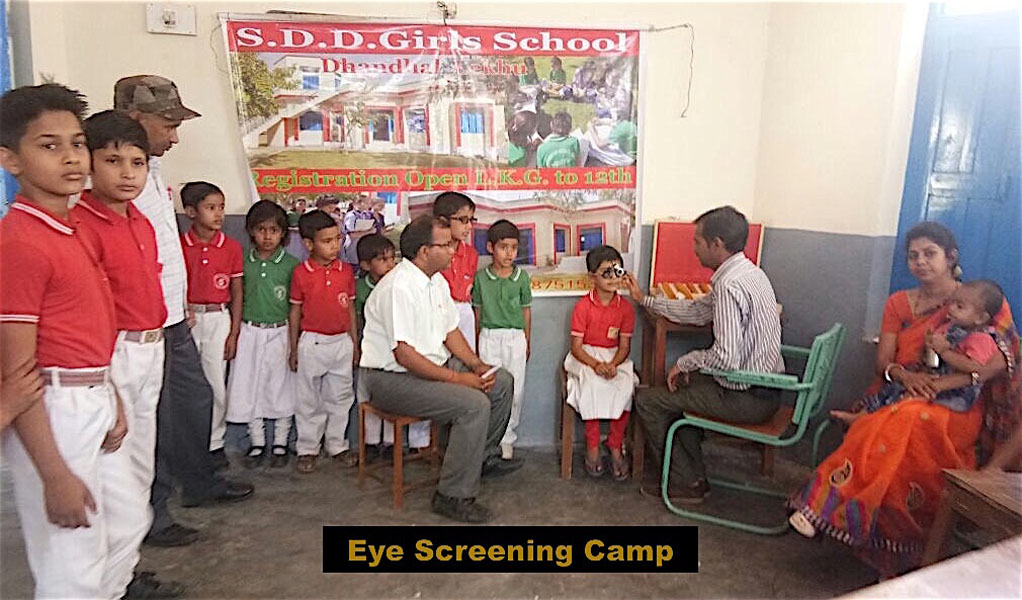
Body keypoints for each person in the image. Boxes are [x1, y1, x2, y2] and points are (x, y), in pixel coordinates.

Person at [787, 222, 1020, 576]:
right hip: (903, 388)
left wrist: (940, 384)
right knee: (893, 423)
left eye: (930, 254)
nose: (920, 262)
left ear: (950, 257)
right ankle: (846, 518)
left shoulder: (977, 301)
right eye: (913, 256)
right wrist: (906, 376)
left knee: (906, 422)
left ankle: (894, 539)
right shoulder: (899, 303)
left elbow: (999, 362)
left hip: (958, 403)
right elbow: (883, 361)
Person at [0, 83, 139, 599]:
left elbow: (90, 330)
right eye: (49, 145)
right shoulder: (19, 242)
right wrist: (53, 474)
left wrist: (112, 395)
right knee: (72, 557)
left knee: (126, 524)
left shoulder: (72, 228)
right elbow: (17, 374)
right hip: (54, 407)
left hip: (93, 391)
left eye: (77, 143)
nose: (71, 158)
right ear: (11, 159)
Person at [117, 74, 253, 550]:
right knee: (153, 425)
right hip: (144, 325)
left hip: (174, 318)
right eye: (168, 123)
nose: (175, 136)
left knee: (195, 403)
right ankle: (153, 517)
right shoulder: (118, 180)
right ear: (135, 118)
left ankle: (199, 483)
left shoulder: (151, 171)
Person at [72, 109, 178, 598]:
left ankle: (125, 572)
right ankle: (107, 584)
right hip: (111, 354)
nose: (127, 173)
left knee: (138, 467)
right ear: (89, 163)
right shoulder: (80, 224)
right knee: (109, 474)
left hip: (150, 348)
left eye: (137, 162)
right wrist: (107, 378)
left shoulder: (141, 221)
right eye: (112, 161)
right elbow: (90, 309)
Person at [360, 214, 521, 523]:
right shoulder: (398, 286)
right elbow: (404, 355)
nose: (453, 250)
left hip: (430, 367)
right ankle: (452, 495)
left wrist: (475, 364)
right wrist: (458, 379)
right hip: (389, 379)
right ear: (424, 251)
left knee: (500, 381)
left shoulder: (436, 282)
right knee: (473, 404)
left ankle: (479, 459)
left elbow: (450, 332)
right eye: (446, 245)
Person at [623, 206, 784, 504]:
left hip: (748, 398)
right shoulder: (751, 273)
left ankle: (684, 482)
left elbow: (726, 358)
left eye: (697, 241)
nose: (694, 248)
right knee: (681, 388)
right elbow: (698, 311)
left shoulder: (729, 285)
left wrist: (686, 362)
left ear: (716, 244)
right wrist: (645, 300)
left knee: (648, 400)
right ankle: (693, 475)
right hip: (766, 390)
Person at [833, 280, 1007, 423]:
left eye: (959, 306)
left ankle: (873, 422)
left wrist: (945, 352)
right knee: (895, 389)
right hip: (928, 378)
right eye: (913, 255)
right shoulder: (952, 324)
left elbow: (975, 368)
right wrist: (930, 342)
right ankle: (863, 417)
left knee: (908, 404)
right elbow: (884, 362)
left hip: (956, 394)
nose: (952, 308)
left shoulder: (981, 337)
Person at [226, 200, 300, 469]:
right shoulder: (243, 261)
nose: (267, 236)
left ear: (283, 234)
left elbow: (295, 307)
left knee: (282, 387)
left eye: (274, 230)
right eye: (261, 230)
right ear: (250, 231)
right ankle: (257, 442)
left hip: (280, 331)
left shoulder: (291, 265)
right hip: (249, 331)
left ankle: (280, 442)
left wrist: (293, 344)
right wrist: (234, 334)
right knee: (251, 386)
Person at [289, 210, 360, 473]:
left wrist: (354, 343)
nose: (334, 246)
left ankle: (337, 444)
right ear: (309, 244)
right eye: (327, 241)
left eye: (337, 239)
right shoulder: (301, 273)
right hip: (312, 341)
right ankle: (308, 448)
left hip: (341, 341)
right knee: (308, 398)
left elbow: (350, 309)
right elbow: (295, 311)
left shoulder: (345, 271)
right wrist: (294, 348)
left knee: (341, 396)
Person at [179, 181, 243, 462]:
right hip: (189, 320)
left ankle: (215, 443)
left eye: (221, 207)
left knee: (216, 383)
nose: (218, 214)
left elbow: (237, 292)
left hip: (219, 318)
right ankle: (190, 444)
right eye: (210, 208)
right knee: (188, 384)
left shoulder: (231, 247)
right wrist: (182, 310)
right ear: (191, 212)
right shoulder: (179, 246)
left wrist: (233, 332)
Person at [565, 245, 638, 480]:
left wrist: (614, 364)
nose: (613, 278)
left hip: (614, 356)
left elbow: (624, 347)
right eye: (606, 272)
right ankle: (593, 444)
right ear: (592, 277)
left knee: (626, 384)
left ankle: (615, 443)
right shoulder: (583, 307)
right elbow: (576, 348)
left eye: (618, 271)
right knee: (591, 384)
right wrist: (596, 365)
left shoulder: (625, 308)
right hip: (586, 356)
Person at [354, 233, 431, 458]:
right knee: (368, 397)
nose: (390, 264)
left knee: (391, 398)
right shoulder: (360, 288)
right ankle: (370, 443)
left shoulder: (400, 285)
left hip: (394, 349)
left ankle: (390, 443)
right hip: (370, 349)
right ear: (365, 265)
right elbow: (356, 318)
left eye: (392, 259)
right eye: (382, 260)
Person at [472, 220, 532, 461]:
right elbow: (477, 312)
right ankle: (488, 441)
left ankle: (507, 439)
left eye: (514, 248)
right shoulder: (481, 278)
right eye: (503, 247)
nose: (509, 253)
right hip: (489, 337)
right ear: (490, 247)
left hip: (515, 338)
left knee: (516, 391)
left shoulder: (522, 277)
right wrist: (477, 341)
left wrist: (527, 340)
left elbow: (526, 311)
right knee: (489, 389)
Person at [433, 192, 480, 352]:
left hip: (464, 315)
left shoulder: (471, 254)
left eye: (471, 220)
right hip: (437, 315)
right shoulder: (432, 253)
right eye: (463, 220)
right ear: (443, 221)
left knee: (466, 359)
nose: (469, 226)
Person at [341, 194, 380, 267]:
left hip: (362, 248)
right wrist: (369, 232)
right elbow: (352, 235)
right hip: (352, 249)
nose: (369, 204)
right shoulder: (351, 216)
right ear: (358, 203)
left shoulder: (366, 215)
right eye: (366, 202)